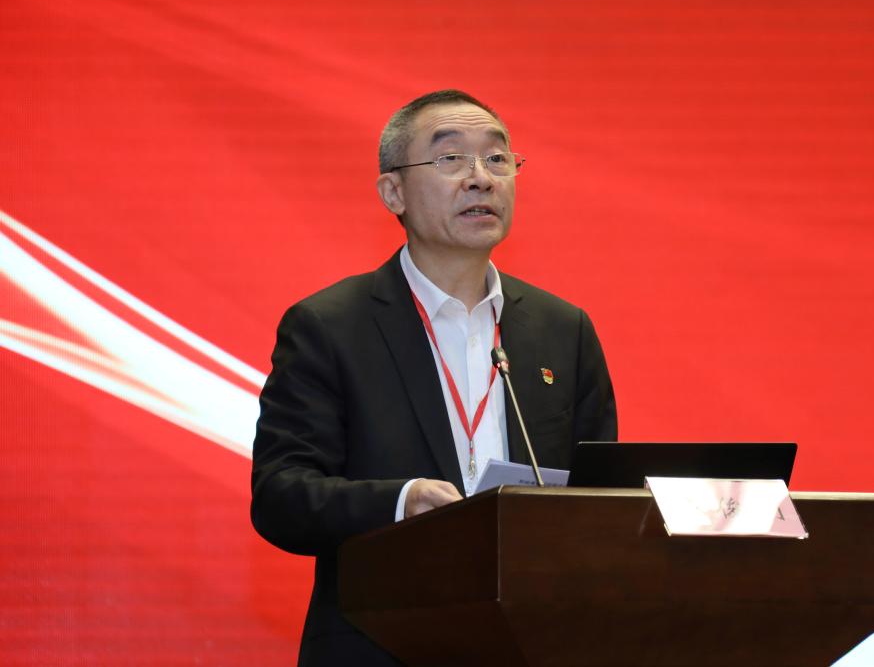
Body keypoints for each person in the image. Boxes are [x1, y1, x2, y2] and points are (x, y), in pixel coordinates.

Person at [250, 89, 617, 666]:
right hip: (380, 647)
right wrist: (401, 502)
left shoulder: (562, 329)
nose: (480, 178)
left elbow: (602, 497)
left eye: (497, 158)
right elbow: (281, 496)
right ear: (392, 191)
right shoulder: (329, 326)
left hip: (532, 645)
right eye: (450, 159)